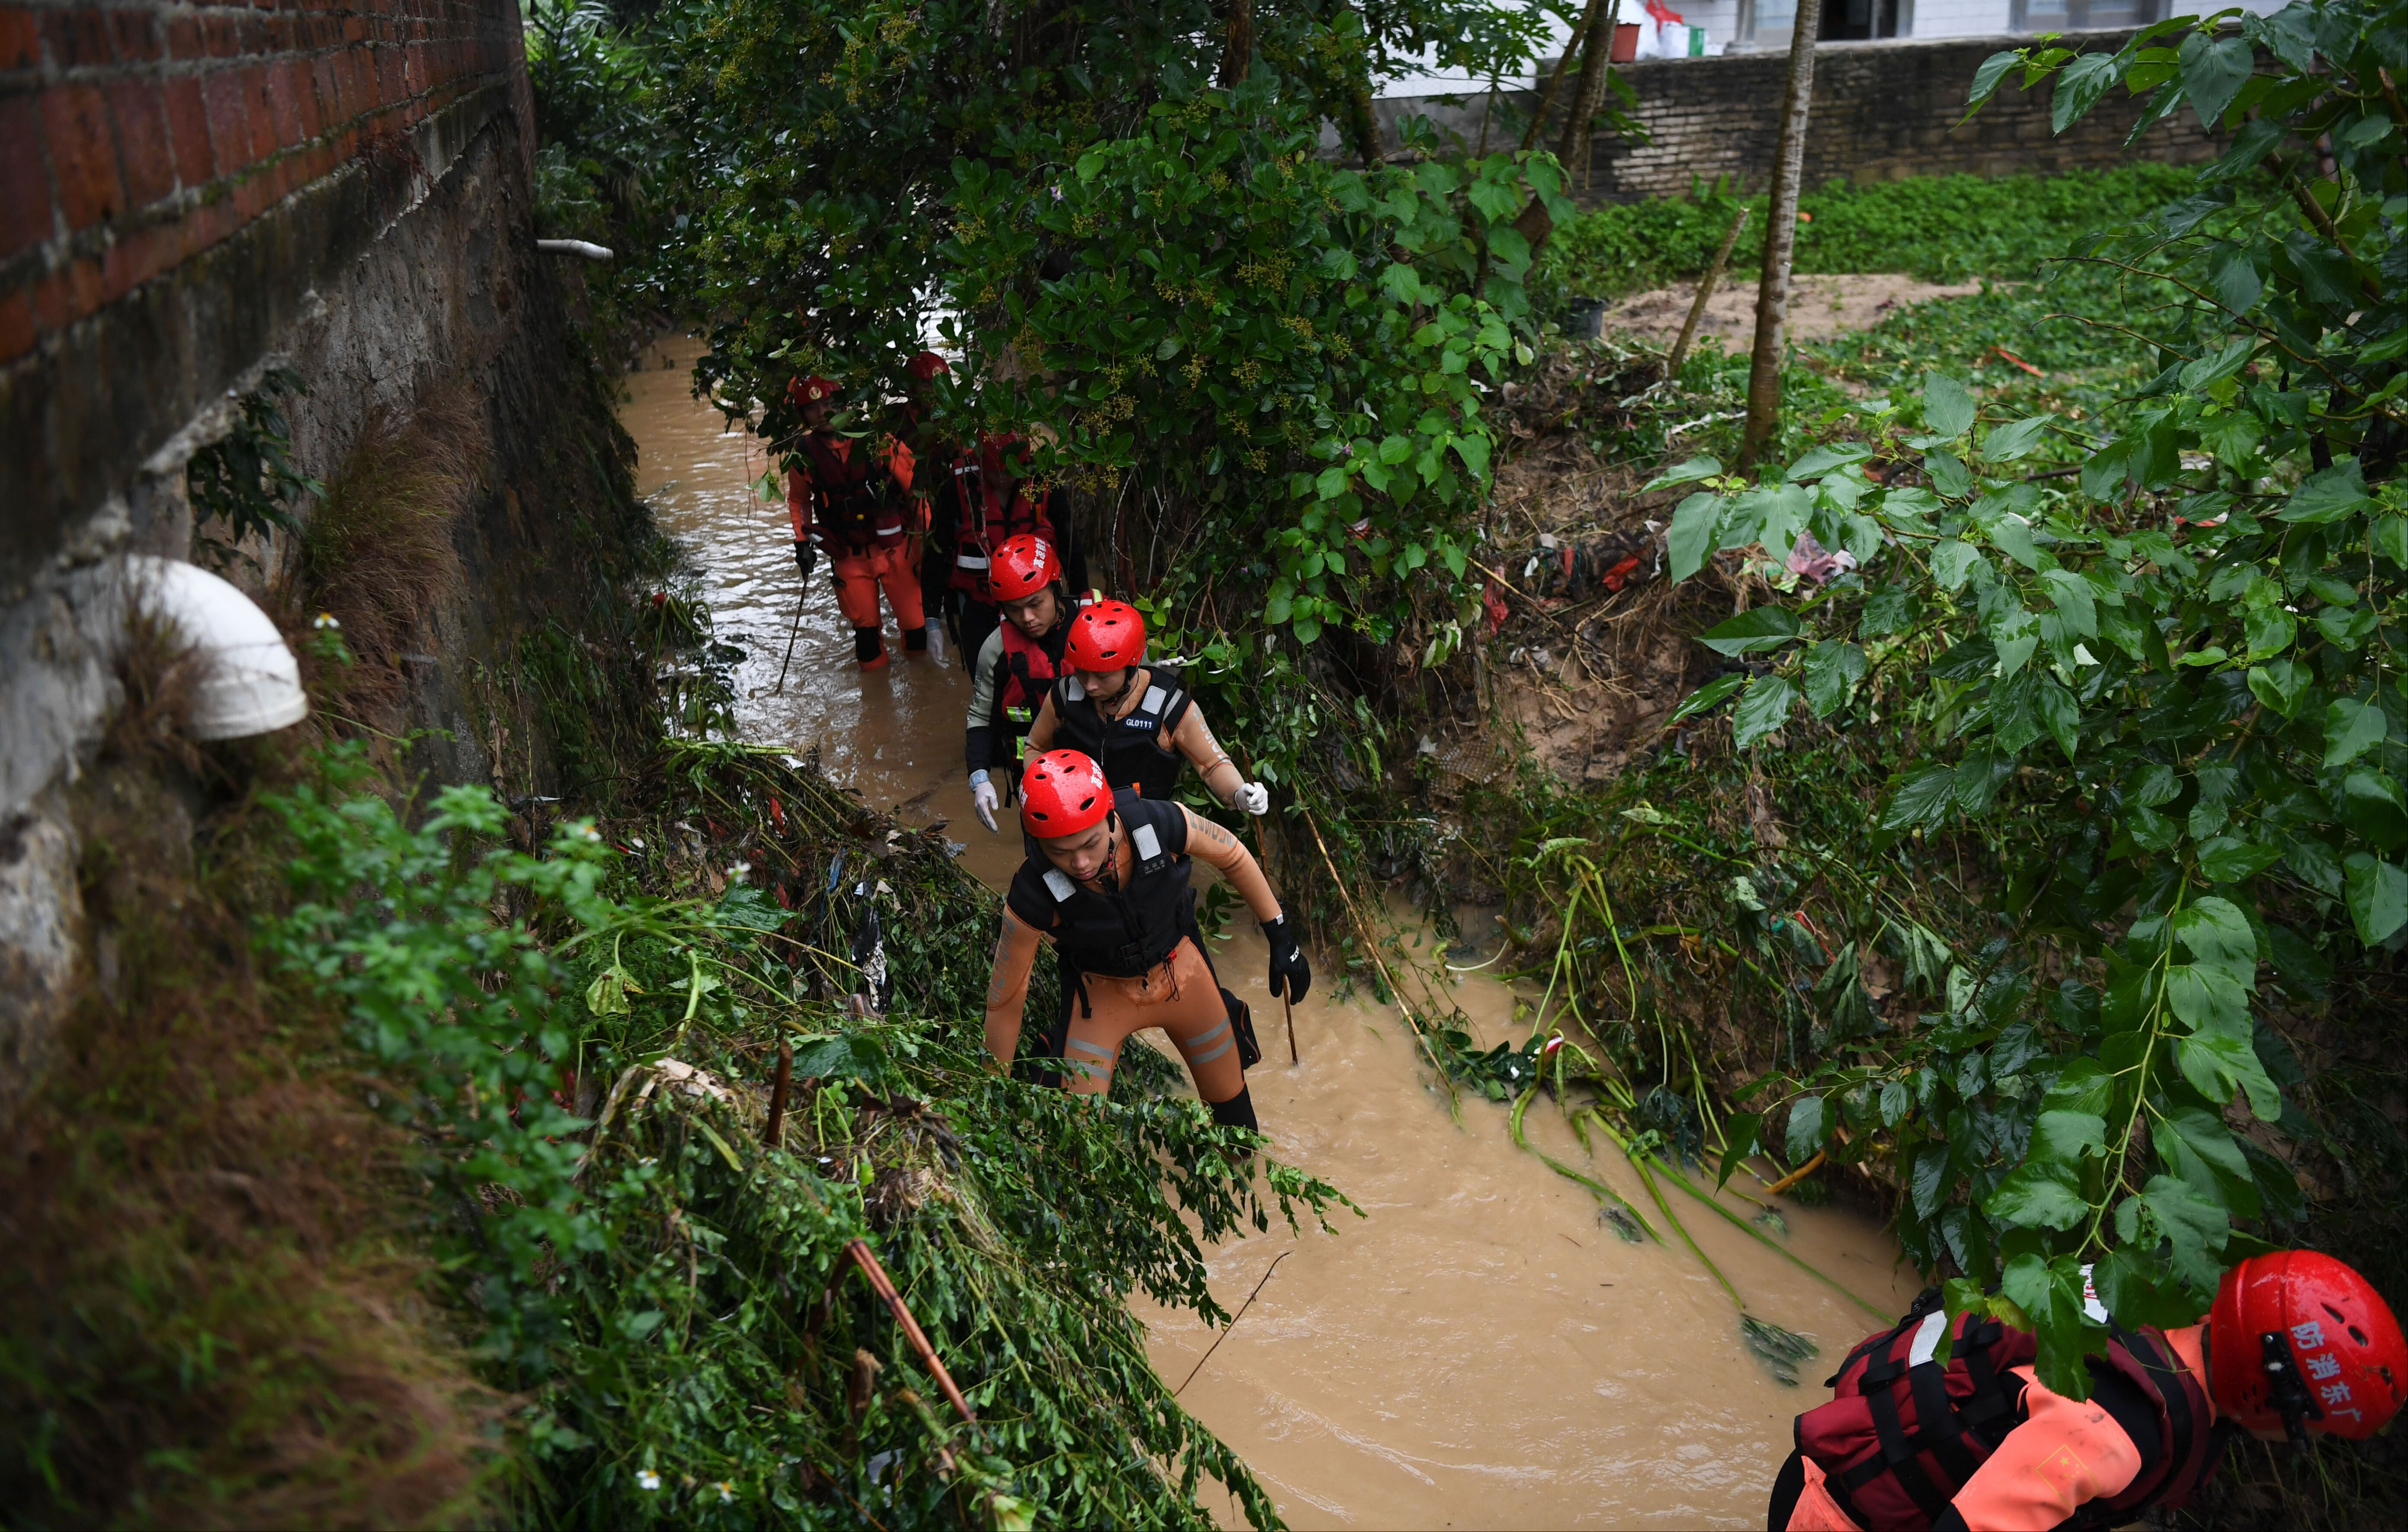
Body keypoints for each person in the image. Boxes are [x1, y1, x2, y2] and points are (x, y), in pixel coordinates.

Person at [1769, 1249, 2407, 1532]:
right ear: (2269, 1396)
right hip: (1834, 1511)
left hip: (1856, 1454)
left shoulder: (2143, 1297)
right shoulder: (2112, 1433)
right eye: (2309, 1428)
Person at [983, 750, 1311, 1128]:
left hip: (1183, 976)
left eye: (1090, 843)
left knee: (1236, 1128)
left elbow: (1232, 855)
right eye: (1060, 852)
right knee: (1079, 1138)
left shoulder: (1156, 821)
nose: (1081, 864)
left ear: (1110, 818)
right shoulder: (1032, 891)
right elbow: (1006, 1001)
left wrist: (1281, 938)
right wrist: (992, 1092)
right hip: (1099, 997)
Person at [1022, 599, 1270, 814]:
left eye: (1103, 676)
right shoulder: (1064, 695)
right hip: (1075, 825)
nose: (1089, 685)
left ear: (1131, 666)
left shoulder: (1172, 707)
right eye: (1082, 672)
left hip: (1144, 827)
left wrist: (1240, 794)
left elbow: (1213, 765)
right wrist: (1048, 794)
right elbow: (1035, 748)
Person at [784, 374, 929, 670]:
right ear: (803, 414)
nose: (822, 413)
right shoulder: (803, 455)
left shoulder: (877, 440)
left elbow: (915, 490)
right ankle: (876, 692)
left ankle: (923, 684)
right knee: (867, 644)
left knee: (918, 633)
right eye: (812, 408)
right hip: (849, 556)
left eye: (829, 404)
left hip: (895, 549)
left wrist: (925, 541)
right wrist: (802, 543)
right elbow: (799, 501)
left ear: (843, 404)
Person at [964, 533, 1080, 834]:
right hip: (1032, 775)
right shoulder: (995, 649)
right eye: (1014, 609)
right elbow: (980, 716)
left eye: (1035, 603)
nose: (1027, 618)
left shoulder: (1090, 625)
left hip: (1093, 765)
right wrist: (979, 777)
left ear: (1056, 587)